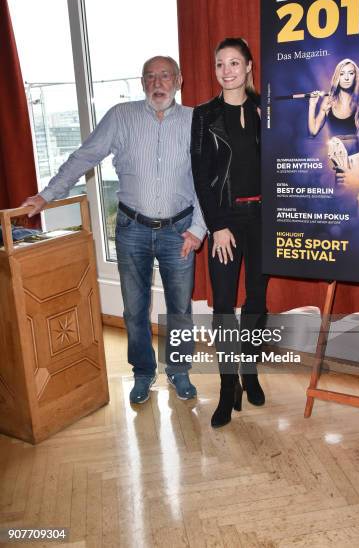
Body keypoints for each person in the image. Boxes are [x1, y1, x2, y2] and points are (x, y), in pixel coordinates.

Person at [22, 56, 207, 404]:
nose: (158, 83)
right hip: (131, 230)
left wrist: (198, 228)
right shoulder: (121, 117)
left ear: (179, 80)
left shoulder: (197, 121)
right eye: (150, 77)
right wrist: (47, 196)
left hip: (179, 231)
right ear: (142, 83)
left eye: (165, 76)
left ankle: (179, 371)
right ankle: (142, 372)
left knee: (179, 308)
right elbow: (84, 156)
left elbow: (206, 182)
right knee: (134, 309)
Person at [191, 37, 269, 428]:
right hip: (226, 221)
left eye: (234, 63)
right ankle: (227, 388)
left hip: (263, 220)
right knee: (223, 305)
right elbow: (202, 177)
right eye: (220, 64)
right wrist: (217, 224)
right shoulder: (204, 115)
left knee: (256, 300)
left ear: (249, 66)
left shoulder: (264, 109)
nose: (226, 71)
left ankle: (249, 372)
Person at [308, 59, 359, 154]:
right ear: (337, 77)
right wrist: (312, 104)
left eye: (350, 73)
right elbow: (313, 132)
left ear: (356, 76)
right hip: (337, 157)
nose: (346, 78)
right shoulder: (329, 101)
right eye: (342, 74)